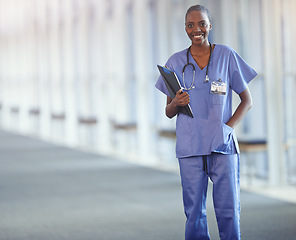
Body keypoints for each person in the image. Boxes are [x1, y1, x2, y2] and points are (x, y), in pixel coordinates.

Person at [155, 4, 257, 240]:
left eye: (201, 23)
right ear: (185, 28)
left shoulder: (226, 55)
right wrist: (176, 102)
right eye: (190, 25)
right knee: (194, 213)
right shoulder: (175, 61)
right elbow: (169, 112)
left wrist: (227, 128)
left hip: (222, 144)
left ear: (210, 25)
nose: (196, 29)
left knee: (228, 210)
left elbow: (247, 101)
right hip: (190, 145)